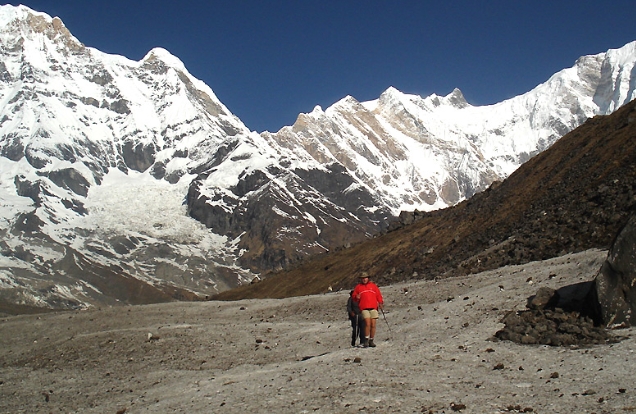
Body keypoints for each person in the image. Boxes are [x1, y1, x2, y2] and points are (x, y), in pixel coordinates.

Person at [352, 271, 384, 347]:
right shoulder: (358, 287)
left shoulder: (373, 286)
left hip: (373, 307)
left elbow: (378, 295)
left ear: (368, 278)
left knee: (373, 324)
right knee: (367, 323)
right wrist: (356, 297)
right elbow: (354, 296)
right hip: (364, 308)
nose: (364, 279)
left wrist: (380, 303)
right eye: (363, 278)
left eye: (365, 278)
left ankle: (371, 340)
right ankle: (366, 340)